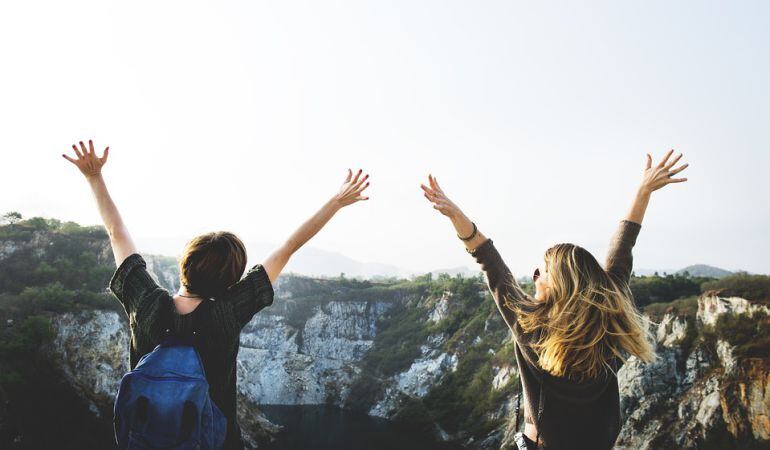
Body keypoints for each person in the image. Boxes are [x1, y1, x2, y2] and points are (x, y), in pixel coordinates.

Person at [62, 140, 371, 449]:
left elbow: (117, 233)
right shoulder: (227, 312)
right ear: (231, 280)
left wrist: (94, 177)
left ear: (185, 263)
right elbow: (289, 247)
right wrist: (336, 201)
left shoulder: (147, 304)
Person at [420, 150, 689, 449]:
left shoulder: (530, 326)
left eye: (541, 271)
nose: (534, 275)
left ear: (560, 284)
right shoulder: (607, 318)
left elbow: (489, 261)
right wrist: (643, 191)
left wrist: (456, 216)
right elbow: (623, 245)